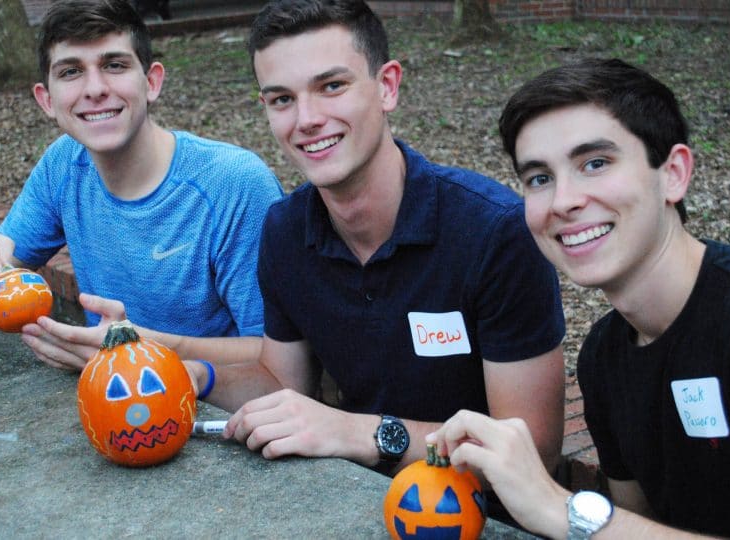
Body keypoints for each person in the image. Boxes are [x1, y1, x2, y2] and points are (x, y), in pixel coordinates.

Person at [428, 58, 730, 539]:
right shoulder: (604, 358)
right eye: (539, 178)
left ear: (674, 174)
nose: (563, 201)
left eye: (595, 164)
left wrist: (564, 509)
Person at [186, 0, 567, 480]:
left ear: (387, 86)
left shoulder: (494, 232)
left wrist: (358, 432)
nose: (306, 118)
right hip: (347, 499)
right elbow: (284, 387)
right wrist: (200, 375)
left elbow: (533, 449)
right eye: (283, 99)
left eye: (331, 86)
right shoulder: (285, 230)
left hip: (474, 516)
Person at [0, 0, 283, 371]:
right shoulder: (63, 165)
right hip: (109, 407)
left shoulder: (234, 185)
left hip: (222, 414)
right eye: (71, 71)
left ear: (151, 82)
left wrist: (132, 347)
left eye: (114, 65)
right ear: (47, 100)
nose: (95, 88)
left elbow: (282, 360)